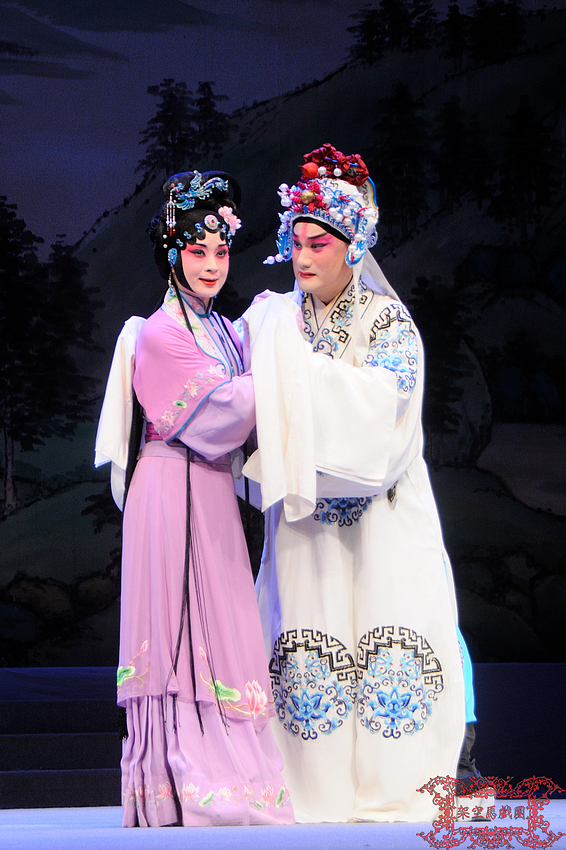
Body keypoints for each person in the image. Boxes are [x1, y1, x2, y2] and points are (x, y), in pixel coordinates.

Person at [242, 144, 472, 823]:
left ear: (353, 246)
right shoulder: (274, 319)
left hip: (382, 517)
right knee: (306, 639)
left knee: (386, 633)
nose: (302, 258)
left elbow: (384, 417)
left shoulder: (388, 323)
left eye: (318, 245)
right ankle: (310, 789)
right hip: (304, 519)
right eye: (295, 243)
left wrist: (296, 377)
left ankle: (394, 787)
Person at [94, 171, 294, 827]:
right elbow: (218, 411)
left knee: (226, 624)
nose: (211, 264)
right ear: (173, 252)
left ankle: (237, 776)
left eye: (221, 251)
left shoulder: (226, 331)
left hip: (208, 491)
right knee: (177, 629)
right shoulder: (158, 333)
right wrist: (278, 374)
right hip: (169, 487)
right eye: (197, 250)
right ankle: (180, 783)